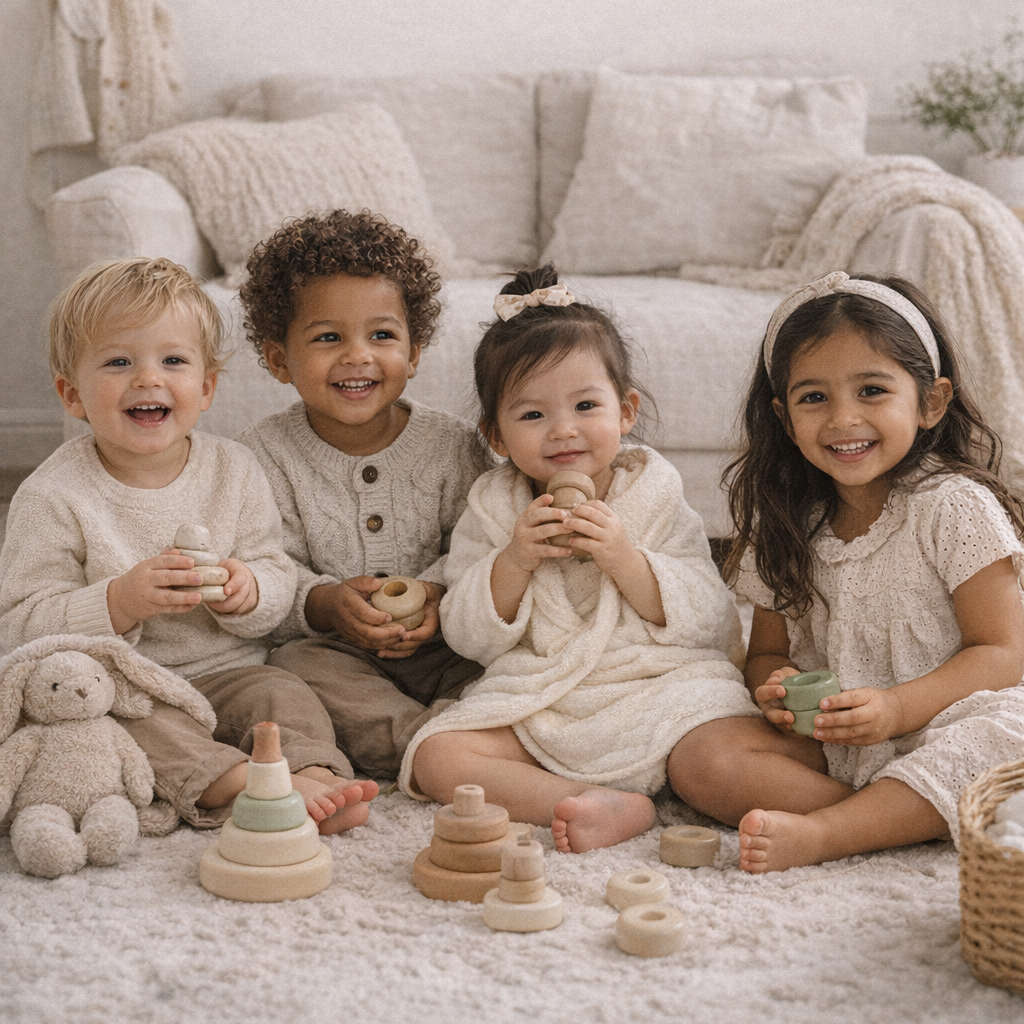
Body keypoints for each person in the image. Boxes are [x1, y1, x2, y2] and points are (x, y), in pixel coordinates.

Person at [0, 257, 377, 833]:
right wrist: (119, 600)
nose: (148, 379)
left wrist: (248, 591)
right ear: (72, 395)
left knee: (283, 691)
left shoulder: (235, 469)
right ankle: (240, 784)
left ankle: (313, 774)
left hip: (229, 670)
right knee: (110, 729)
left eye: (172, 361)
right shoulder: (53, 495)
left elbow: (275, 573)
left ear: (204, 389)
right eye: (119, 362)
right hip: (125, 686)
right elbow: (21, 626)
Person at [397, 264, 761, 853]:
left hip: (655, 689)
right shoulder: (494, 506)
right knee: (440, 757)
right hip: (546, 698)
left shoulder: (654, 492)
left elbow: (713, 616)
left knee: (719, 759)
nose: (563, 431)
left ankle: (864, 811)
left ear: (627, 411)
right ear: (495, 435)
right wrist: (514, 560)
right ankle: (598, 801)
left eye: (586, 405)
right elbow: (466, 634)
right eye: (532, 414)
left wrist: (626, 559)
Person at [669, 270, 1024, 873]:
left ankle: (835, 832)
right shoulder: (784, 522)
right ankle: (891, 815)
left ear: (931, 402)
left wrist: (896, 711)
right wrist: (776, 689)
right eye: (814, 398)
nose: (842, 419)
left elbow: (1005, 652)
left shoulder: (951, 505)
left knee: (1001, 739)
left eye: (871, 391)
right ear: (785, 418)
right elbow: (764, 654)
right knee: (701, 757)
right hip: (838, 742)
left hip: (951, 716)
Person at [238, 209, 492, 779]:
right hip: (337, 651)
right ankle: (433, 746)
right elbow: (264, 566)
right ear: (281, 359)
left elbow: (486, 542)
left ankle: (466, 730)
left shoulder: (452, 445)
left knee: (508, 654)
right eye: (328, 337)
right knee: (290, 668)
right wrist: (325, 603)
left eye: (382, 335)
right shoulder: (262, 457)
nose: (358, 355)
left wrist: (436, 592)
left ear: (415, 351)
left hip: (446, 641)